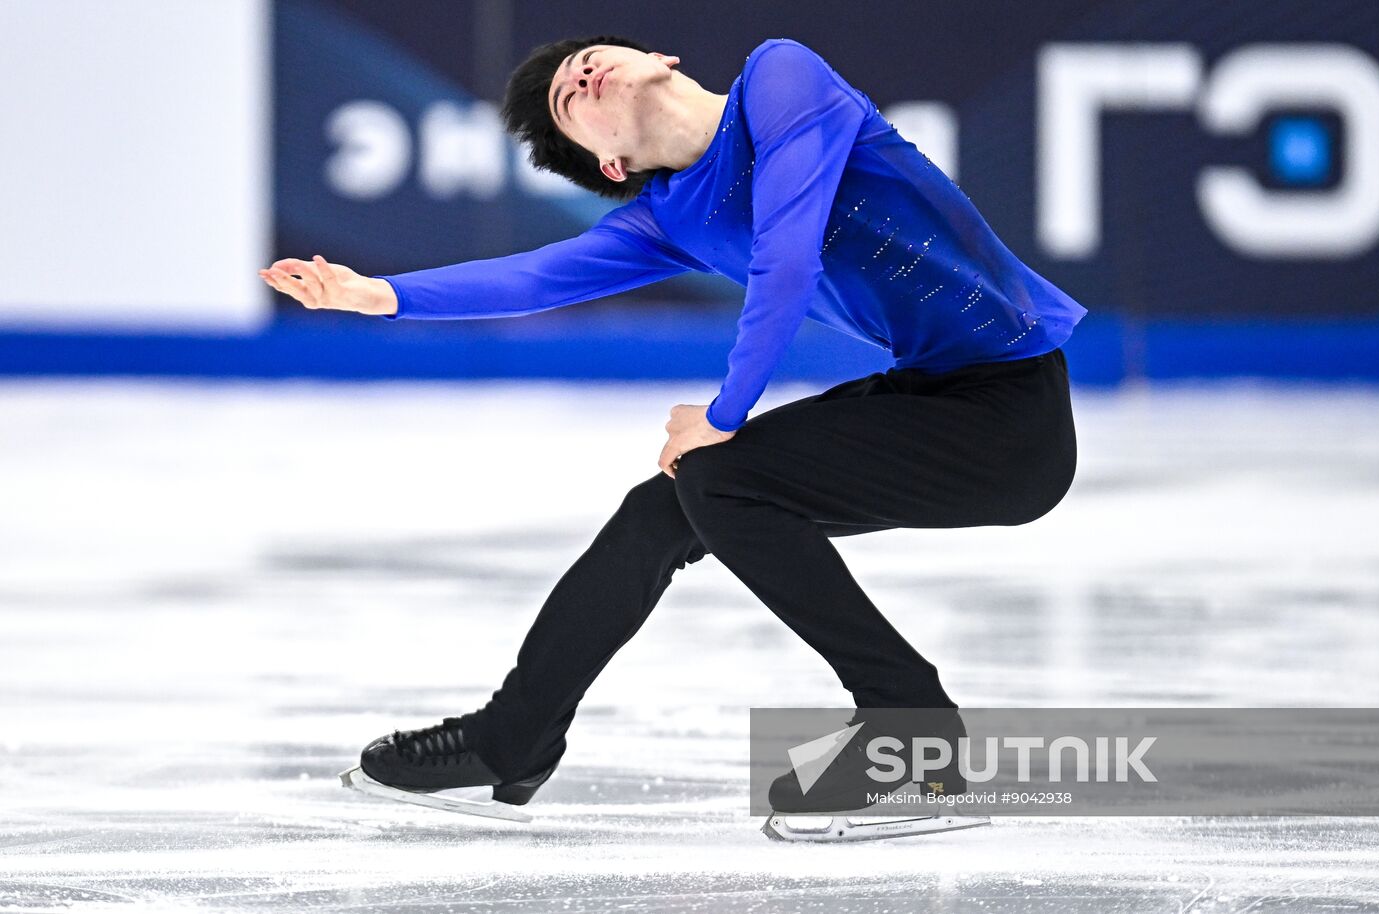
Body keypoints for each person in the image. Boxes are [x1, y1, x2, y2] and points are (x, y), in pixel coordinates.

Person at [260, 35, 1085, 811]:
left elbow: (786, 256)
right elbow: (530, 279)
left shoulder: (782, 77)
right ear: (606, 163)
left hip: (1009, 416)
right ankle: (513, 737)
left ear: (657, 59)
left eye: (587, 62)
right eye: (567, 99)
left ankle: (910, 726)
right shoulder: (666, 220)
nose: (583, 78)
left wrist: (726, 413)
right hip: (936, 398)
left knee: (719, 476)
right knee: (660, 511)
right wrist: (379, 295)